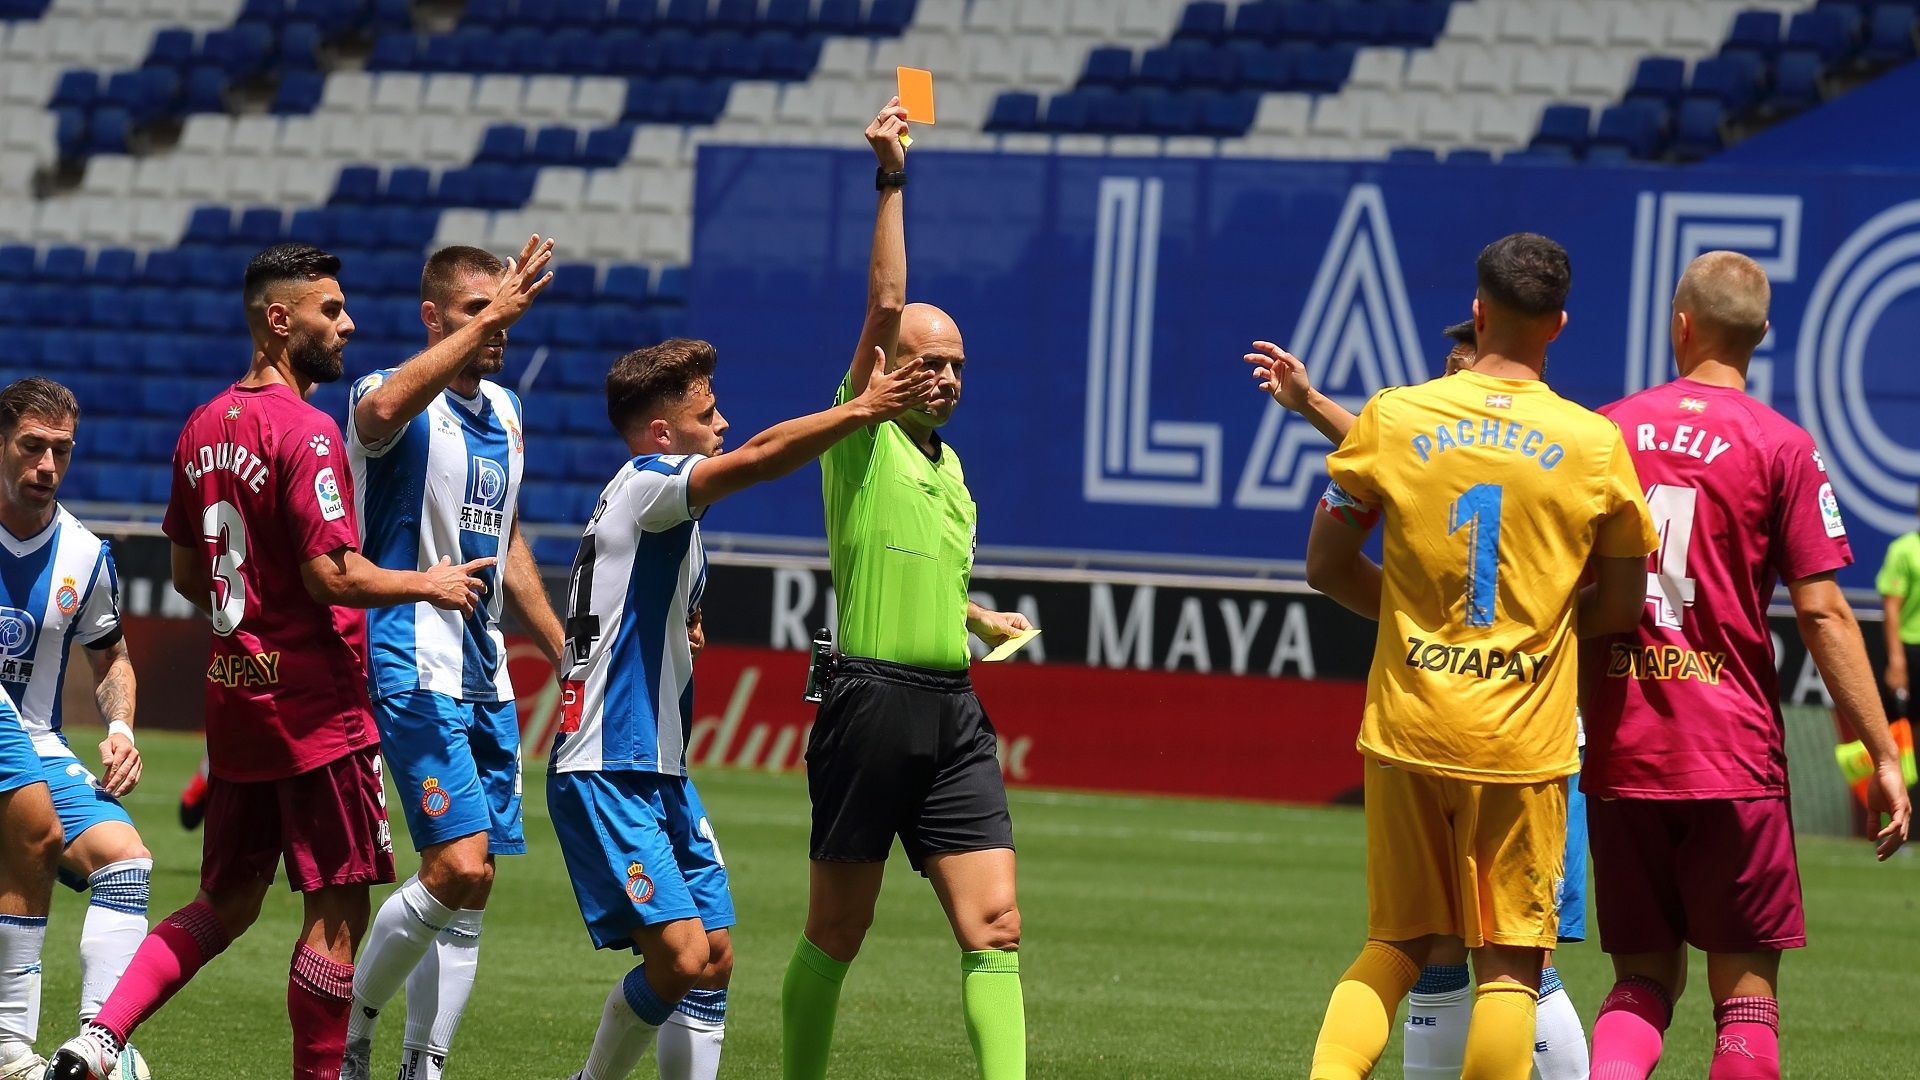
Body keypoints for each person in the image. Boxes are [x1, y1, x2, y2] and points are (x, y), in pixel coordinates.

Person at [49, 243, 490, 1080]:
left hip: (238, 701)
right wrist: (423, 583)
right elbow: (332, 574)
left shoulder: (201, 425)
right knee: (335, 917)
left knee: (226, 901)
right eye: (331, 310)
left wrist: (248, 621)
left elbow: (186, 571)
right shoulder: (307, 431)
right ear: (279, 321)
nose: (349, 323)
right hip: (319, 710)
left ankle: (98, 1038)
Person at [1302, 233, 1658, 1080]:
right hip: (1520, 743)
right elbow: (1619, 602)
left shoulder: (1394, 415)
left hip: (1408, 728)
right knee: (1509, 966)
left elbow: (1325, 565)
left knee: (1393, 945)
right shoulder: (1595, 445)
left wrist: (1414, 618)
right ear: (1561, 325)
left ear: (1477, 310)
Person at [551, 337, 935, 1080]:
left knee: (716, 956)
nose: (723, 423)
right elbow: (758, 458)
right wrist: (860, 410)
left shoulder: (668, 520)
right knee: (682, 957)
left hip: (658, 765)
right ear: (664, 432)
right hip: (609, 761)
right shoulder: (650, 480)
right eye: (707, 412)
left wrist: (684, 626)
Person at [1583, 251, 1913, 1080]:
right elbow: (1822, 609)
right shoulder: (1784, 446)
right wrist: (1881, 753)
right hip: (1732, 756)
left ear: (1680, 325)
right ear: (1763, 334)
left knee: (1641, 982)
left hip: (1623, 749)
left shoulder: (1605, 430)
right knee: (1747, 1000)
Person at [1248, 323, 1593, 1078]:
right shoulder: (1574, 446)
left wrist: (1313, 408)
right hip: (1515, 731)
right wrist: (1311, 405)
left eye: (1460, 368)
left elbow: (1378, 477)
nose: (1450, 386)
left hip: (1442, 725)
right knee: (1481, 959)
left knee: (1456, 955)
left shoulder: (1483, 433)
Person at [780, 99, 1034, 1080]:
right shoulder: (859, 433)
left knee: (997, 926)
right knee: (837, 931)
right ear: (889, 369)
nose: (945, 376)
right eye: (928, 361)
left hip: (952, 708)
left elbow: (927, 568)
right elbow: (885, 303)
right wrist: (892, 176)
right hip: (870, 702)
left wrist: (975, 616)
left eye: (958, 365)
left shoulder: (952, 469)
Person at [340, 238, 560, 1080]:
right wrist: (478, 328)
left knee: (475, 888)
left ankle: (422, 1065)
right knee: (454, 863)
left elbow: (505, 545)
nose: (498, 326)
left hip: (483, 671)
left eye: (504, 309)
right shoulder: (388, 395)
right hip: (409, 658)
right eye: (478, 311)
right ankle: (352, 1026)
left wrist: (563, 647)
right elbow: (379, 415)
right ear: (433, 317)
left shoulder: (505, 412)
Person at [0, 378, 152, 1069]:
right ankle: (8, 1048)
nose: (47, 467)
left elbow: (112, 660)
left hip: (34, 741)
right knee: (36, 831)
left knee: (127, 862)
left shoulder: (86, 557)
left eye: (61, 451)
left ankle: (98, 1045)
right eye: (32, 447)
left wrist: (120, 729)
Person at [1875, 498, 1920, 725]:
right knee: (1908, 730)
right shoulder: (1903, 550)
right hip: (1912, 650)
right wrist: (1896, 662)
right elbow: (1891, 610)